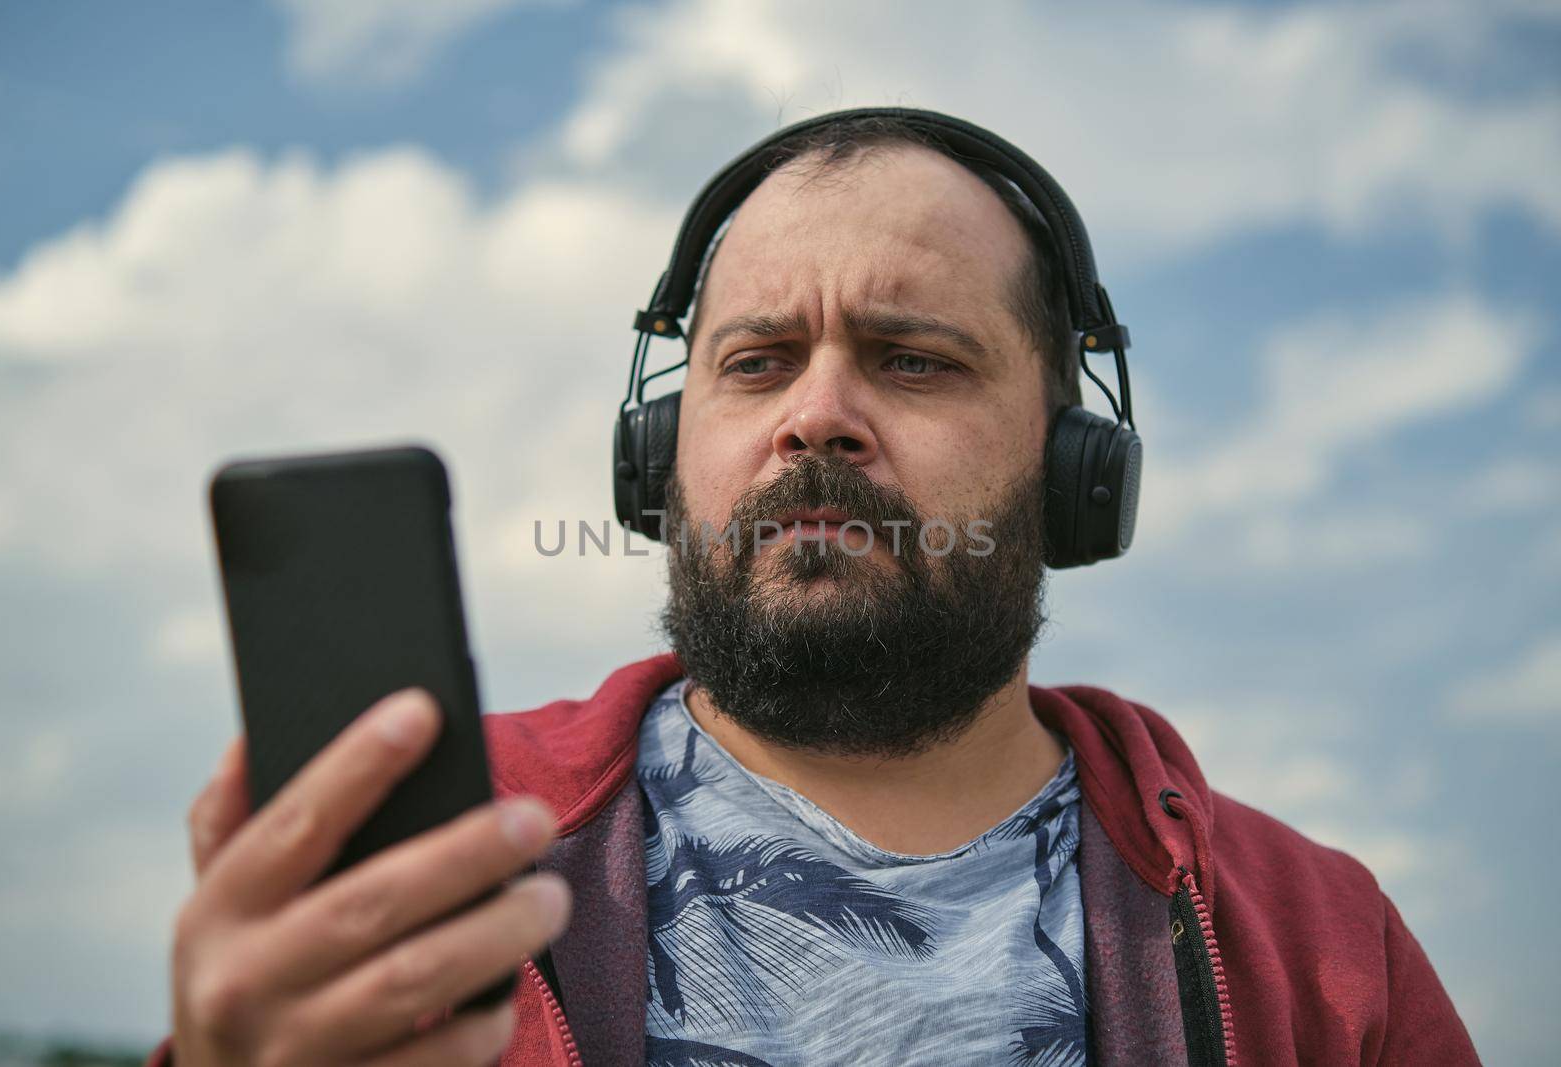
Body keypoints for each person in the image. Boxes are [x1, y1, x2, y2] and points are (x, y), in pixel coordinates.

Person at [151, 110, 1480, 1066]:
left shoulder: (1318, 943)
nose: (819, 416)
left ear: (1072, 466)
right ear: (657, 460)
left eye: (911, 359)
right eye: (757, 360)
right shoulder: (441, 852)